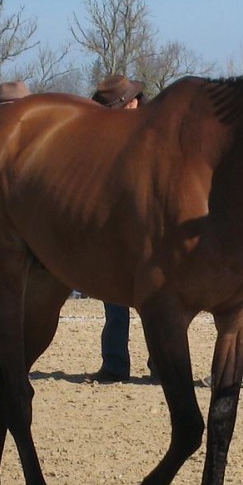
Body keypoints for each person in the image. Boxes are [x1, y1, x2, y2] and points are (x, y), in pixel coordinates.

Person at [88, 75, 149, 383]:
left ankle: (160, 365)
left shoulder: (153, 136)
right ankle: (114, 364)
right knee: (114, 302)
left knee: (155, 304)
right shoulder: (105, 141)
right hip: (116, 228)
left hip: (149, 228)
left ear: (134, 102)